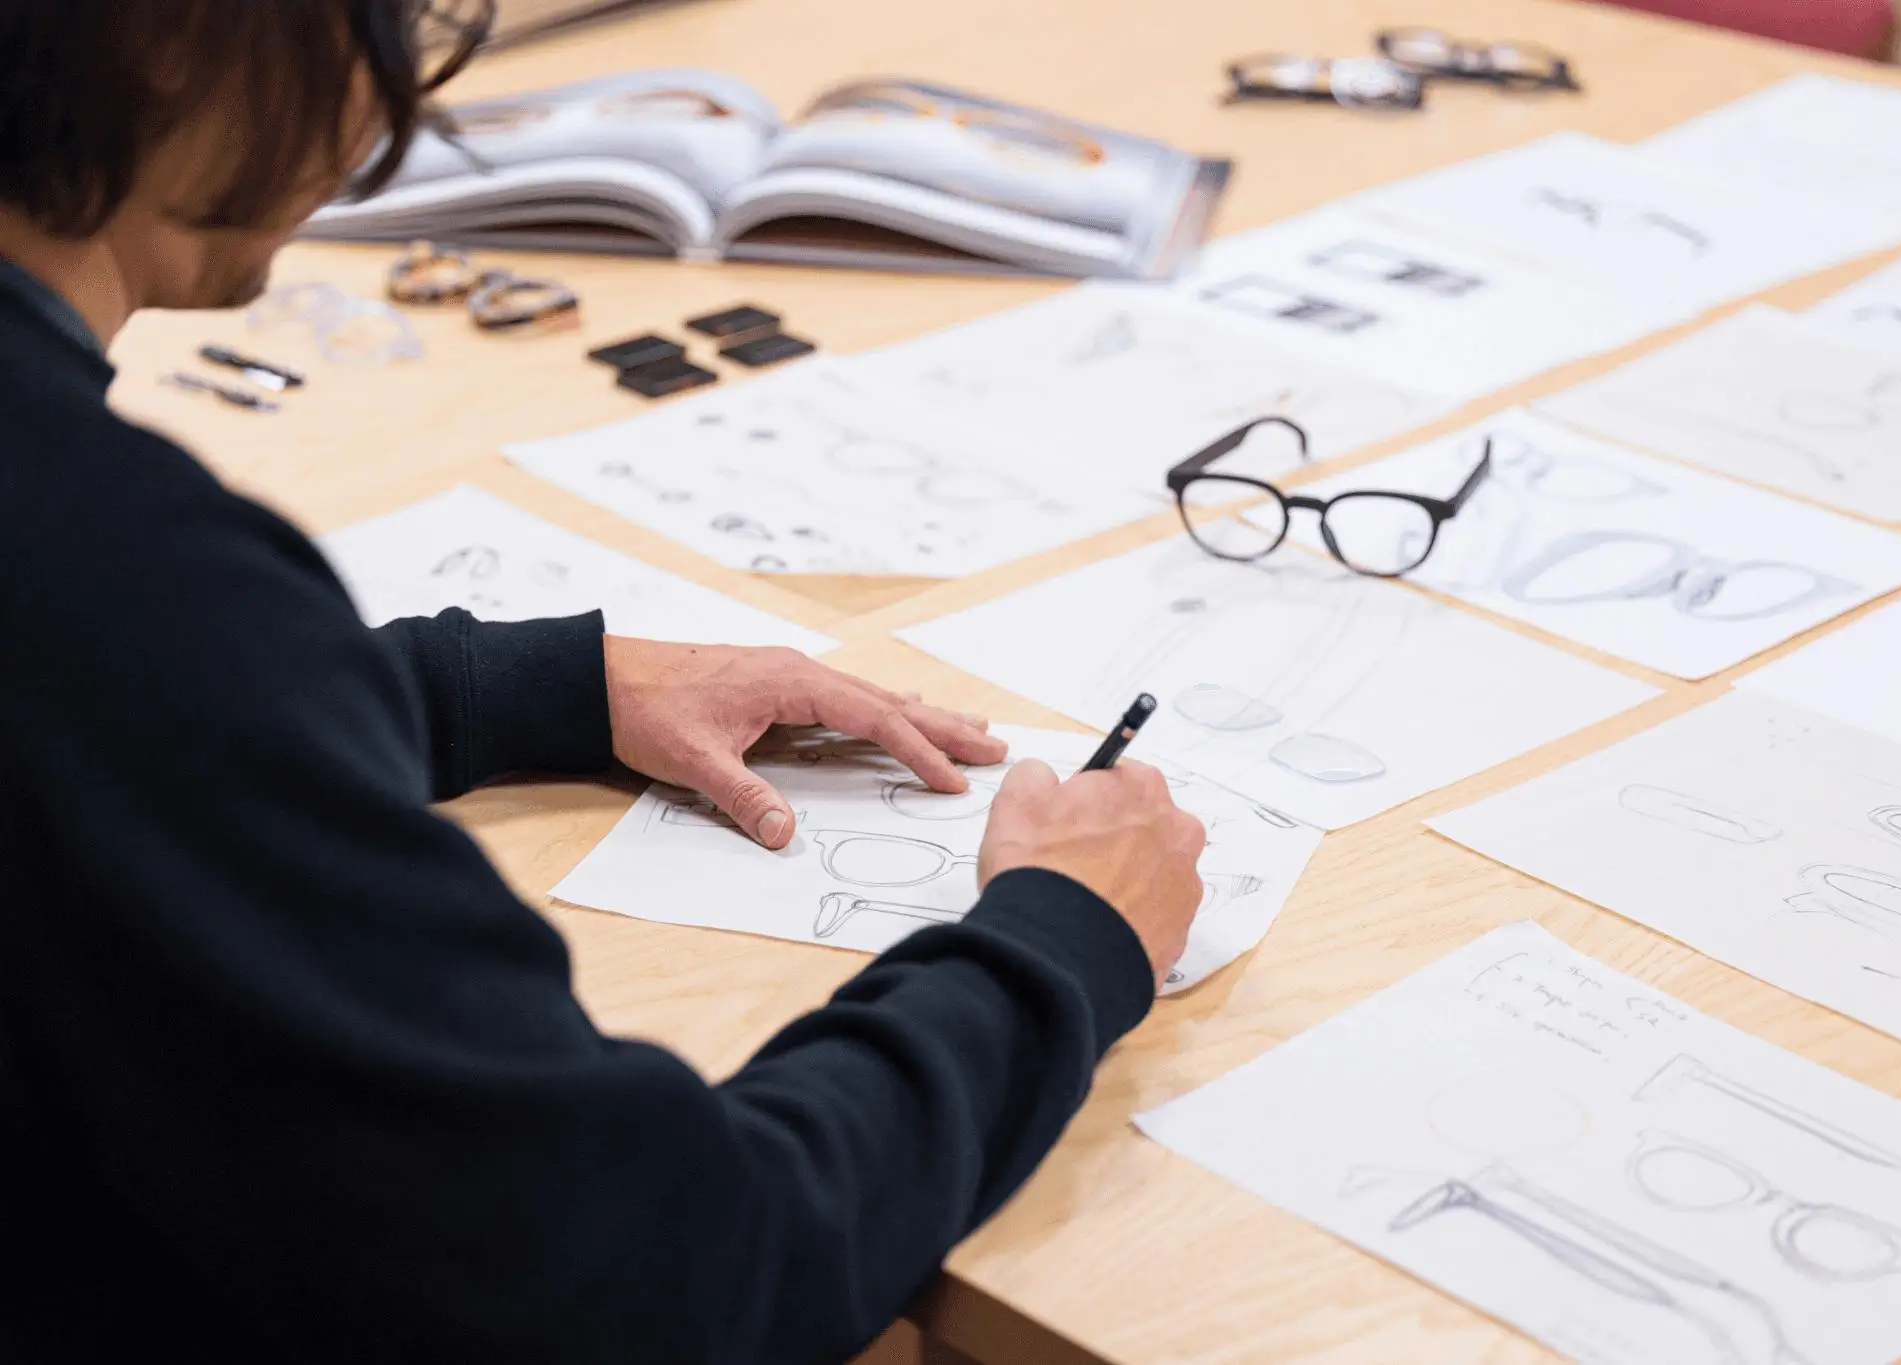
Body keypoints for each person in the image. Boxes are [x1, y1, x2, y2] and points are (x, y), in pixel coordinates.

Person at [0, 3, 1207, 1360]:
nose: (389, 99)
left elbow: (110, 728)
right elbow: (665, 1275)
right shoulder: (125, 587)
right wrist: (1058, 948)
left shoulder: (110, 601)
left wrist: (515, 689)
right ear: (168, 44)